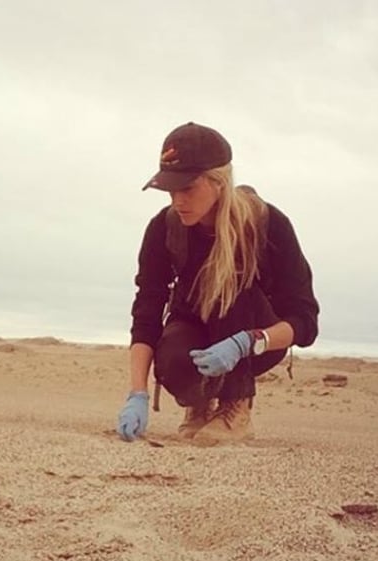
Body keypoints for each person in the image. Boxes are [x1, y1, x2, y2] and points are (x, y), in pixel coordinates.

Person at [116, 122, 319, 445]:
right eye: (171, 190)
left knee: (231, 286)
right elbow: (147, 313)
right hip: (195, 330)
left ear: (219, 182)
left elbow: (306, 322)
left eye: (188, 188)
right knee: (172, 358)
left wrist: (248, 342)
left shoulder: (269, 224)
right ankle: (199, 405)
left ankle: (235, 407)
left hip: (256, 338)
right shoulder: (164, 228)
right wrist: (137, 393)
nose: (177, 200)